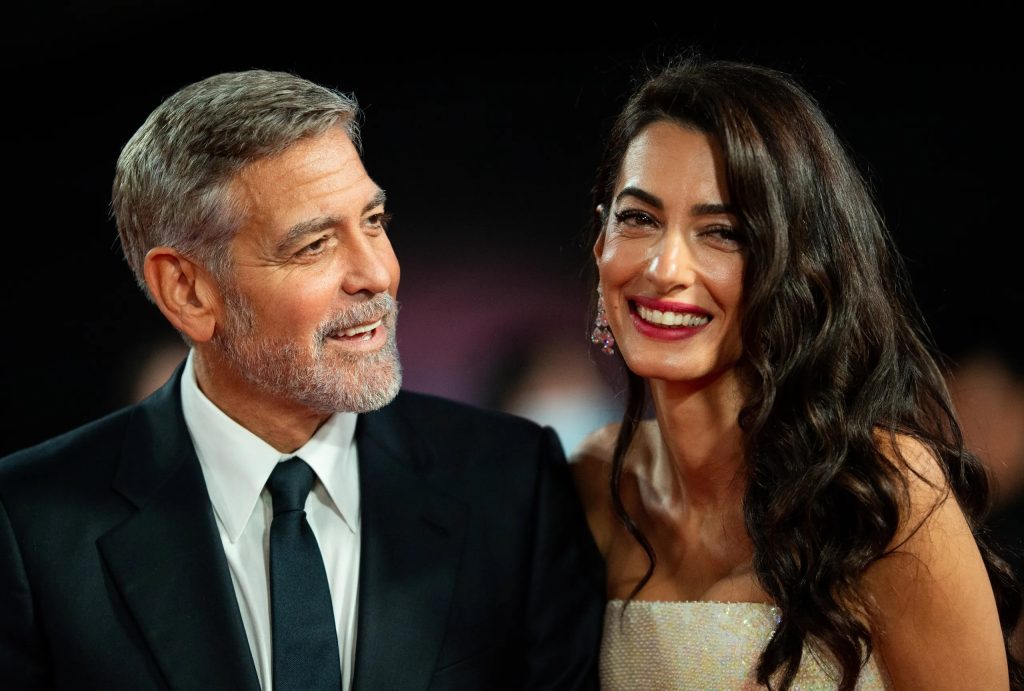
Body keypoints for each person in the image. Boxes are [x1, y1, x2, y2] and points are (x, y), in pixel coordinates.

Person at [0, 69, 605, 690]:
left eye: (374, 221)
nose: (376, 274)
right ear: (187, 291)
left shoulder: (511, 483)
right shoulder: (29, 525)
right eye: (314, 245)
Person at [569, 56, 1021, 690]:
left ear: (795, 266)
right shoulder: (595, 487)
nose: (665, 269)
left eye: (722, 232)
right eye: (639, 219)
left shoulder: (877, 495)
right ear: (601, 245)